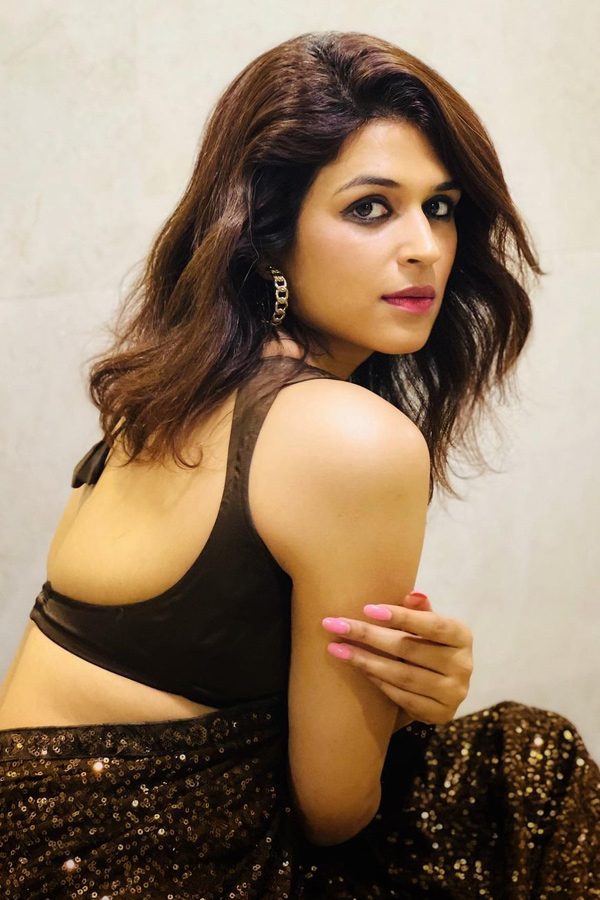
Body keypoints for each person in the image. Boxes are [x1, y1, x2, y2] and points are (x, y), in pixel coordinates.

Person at [0, 28, 598, 900]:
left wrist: (399, 685)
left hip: (27, 833)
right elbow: (335, 811)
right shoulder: (348, 440)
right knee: (530, 775)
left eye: (440, 206)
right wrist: (405, 704)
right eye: (371, 208)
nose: (426, 246)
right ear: (268, 236)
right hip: (135, 866)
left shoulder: (172, 391)